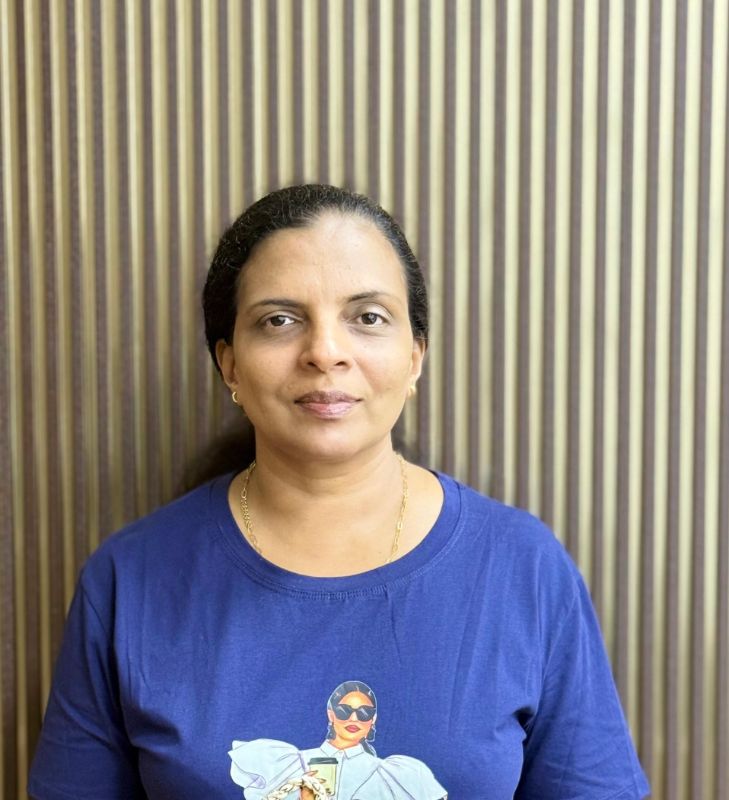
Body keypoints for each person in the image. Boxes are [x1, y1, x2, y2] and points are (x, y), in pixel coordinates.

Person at [28, 184, 650, 799]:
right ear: (230, 363)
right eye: (279, 320)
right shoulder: (130, 579)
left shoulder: (523, 568)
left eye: (367, 317)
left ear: (415, 356)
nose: (325, 352)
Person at [228, 681, 447, 799]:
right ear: (331, 714)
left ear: (373, 720)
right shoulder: (287, 763)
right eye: (344, 710)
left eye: (364, 713)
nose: (354, 718)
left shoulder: (395, 774)